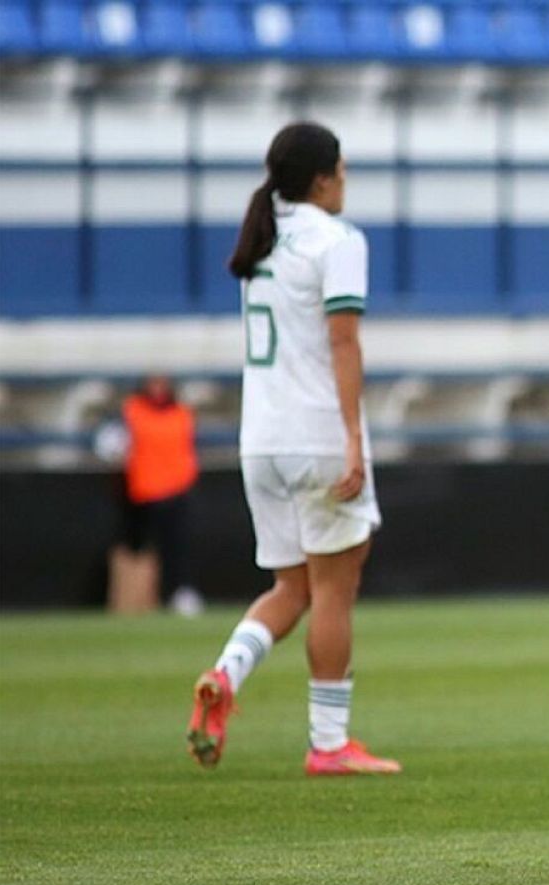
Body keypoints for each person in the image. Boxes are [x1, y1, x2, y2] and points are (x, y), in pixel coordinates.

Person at [185, 122, 398, 777]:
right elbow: (343, 343)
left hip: (262, 440)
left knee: (291, 585)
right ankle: (329, 741)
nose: (346, 176)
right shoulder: (336, 240)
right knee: (336, 585)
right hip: (316, 436)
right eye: (341, 167)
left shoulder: (263, 239)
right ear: (321, 179)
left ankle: (226, 671)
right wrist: (355, 439)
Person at [117, 374, 203, 616]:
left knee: (178, 548)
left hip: (177, 488)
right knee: (141, 549)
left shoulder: (181, 413)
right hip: (145, 491)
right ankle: (140, 597)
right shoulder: (133, 411)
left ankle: (180, 592)